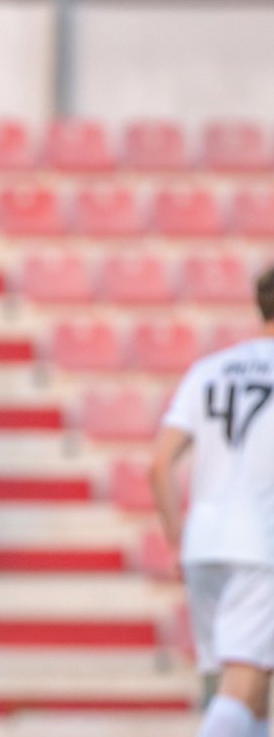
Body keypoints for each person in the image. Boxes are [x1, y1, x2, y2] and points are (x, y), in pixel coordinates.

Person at [150, 265, 274, 737]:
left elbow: (159, 465)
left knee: (254, 687)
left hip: (204, 544)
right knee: (241, 688)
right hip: (261, 543)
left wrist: (178, 540)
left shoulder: (210, 369)